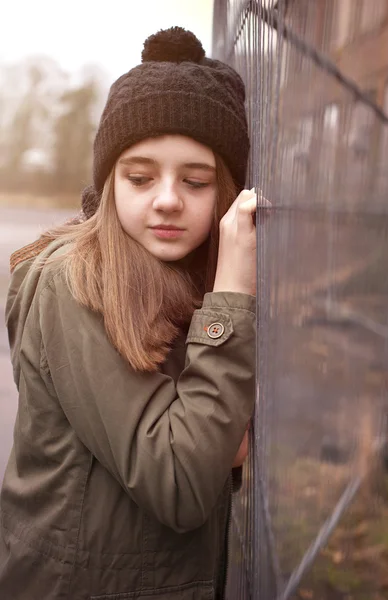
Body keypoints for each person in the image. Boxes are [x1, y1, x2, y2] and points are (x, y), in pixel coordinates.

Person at [0, 27, 256, 599]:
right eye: (140, 178)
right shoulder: (74, 281)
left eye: (196, 181)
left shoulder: (186, 275)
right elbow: (181, 482)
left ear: (228, 193)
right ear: (109, 183)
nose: (167, 198)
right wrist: (234, 293)